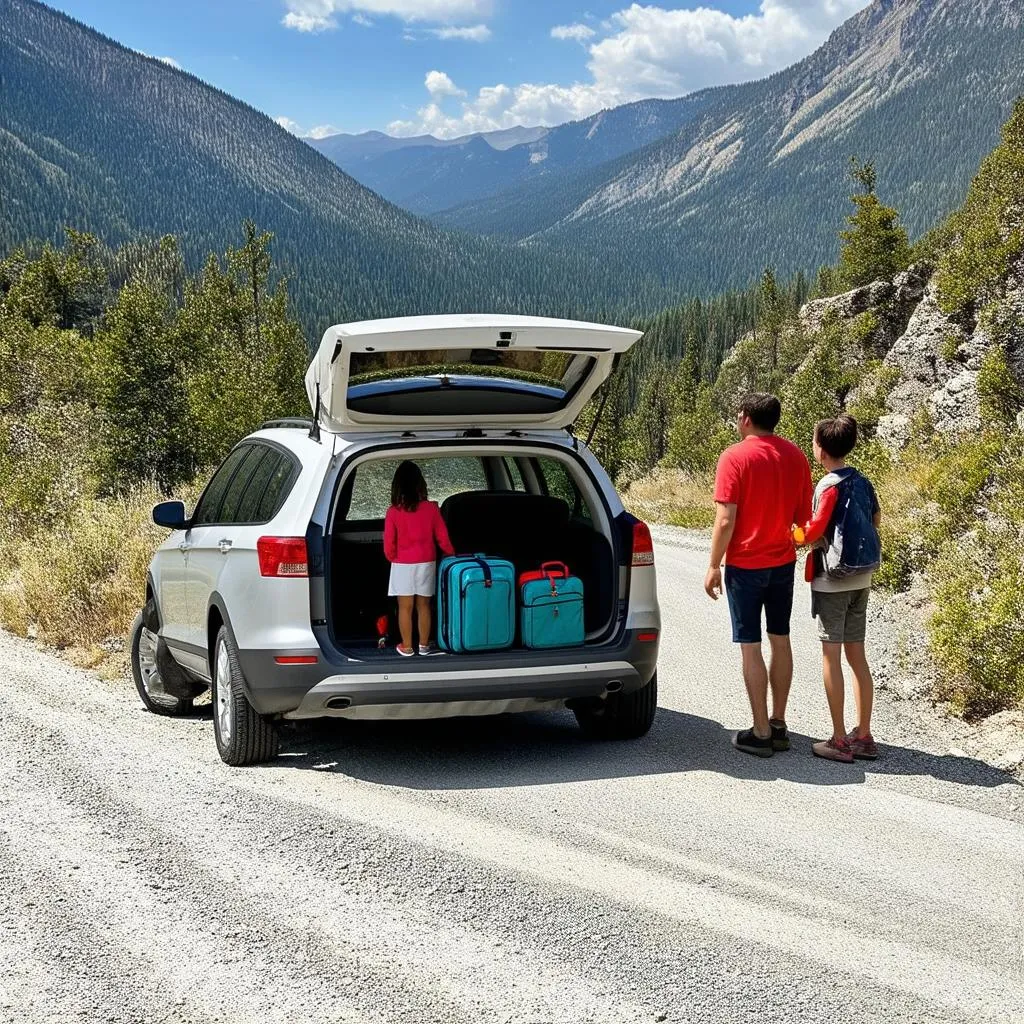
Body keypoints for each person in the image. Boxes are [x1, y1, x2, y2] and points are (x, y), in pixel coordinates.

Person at [705, 393, 813, 758]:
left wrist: (713, 565)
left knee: (750, 645)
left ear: (747, 418)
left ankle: (761, 731)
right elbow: (802, 519)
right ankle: (779, 724)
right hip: (782, 563)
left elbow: (725, 519)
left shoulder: (733, 457)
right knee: (780, 638)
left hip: (746, 565)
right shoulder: (796, 456)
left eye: (739, 414)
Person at [796, 415, 881, 763]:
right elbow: (876, 520)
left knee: (831, 656)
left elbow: (814, 532)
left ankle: (838, 739)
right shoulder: (862, 481)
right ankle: (863, 735)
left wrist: (793, 535)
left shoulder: (827, 486)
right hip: (863, 577)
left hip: (833, 581)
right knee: (857, 655)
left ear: (820, 448)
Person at [383, 461, 455, 656]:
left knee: (405, 607)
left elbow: (389, 543)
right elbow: (442, 537)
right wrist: (451, 555)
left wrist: (392, 557)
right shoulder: (431, 509)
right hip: (427, 561)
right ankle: (424, 645)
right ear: (420, 484)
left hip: (402, 562)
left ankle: (406, 646)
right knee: (424, 605)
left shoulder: (393, 512)